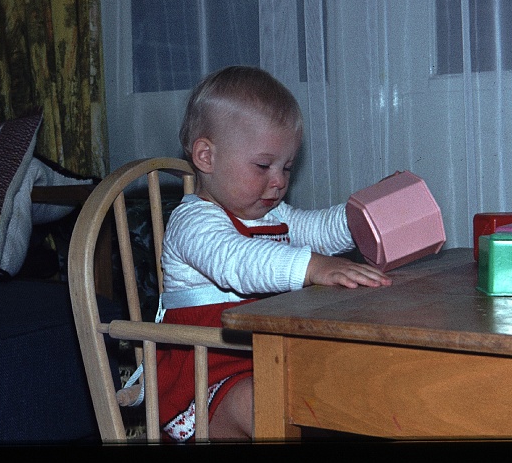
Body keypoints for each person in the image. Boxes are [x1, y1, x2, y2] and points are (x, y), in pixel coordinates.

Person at [157, 66, 393, 441]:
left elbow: (314, 229)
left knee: (337, 382)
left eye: (287, 167)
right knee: (263, 401)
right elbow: (239, 261)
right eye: (264, 166)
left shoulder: (271, 214)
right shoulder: (193, 222)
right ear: (206, 156)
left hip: (267, 359)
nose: (280, 180)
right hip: (206, 377)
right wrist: (312, 266)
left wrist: (359, 215)